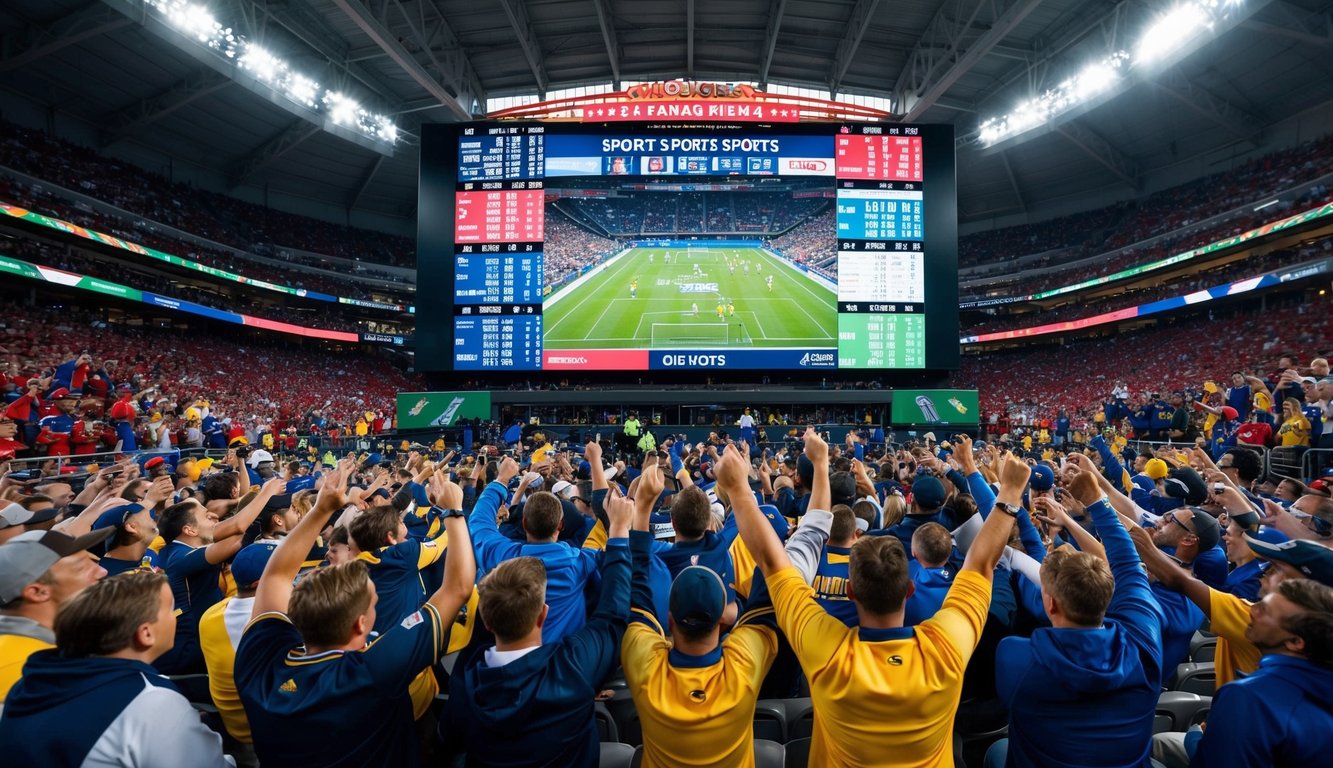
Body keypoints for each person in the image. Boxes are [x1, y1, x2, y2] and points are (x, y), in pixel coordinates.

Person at [730, 427, 1026, 765]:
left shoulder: (827, 650)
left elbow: (772, 563)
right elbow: (983, 562)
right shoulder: (945, 647)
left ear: (852, 592)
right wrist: (1011, 495)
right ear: (909, 588)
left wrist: (740, 488)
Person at [234, 461, 475, 768]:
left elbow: (275, 577)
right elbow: (459, 589)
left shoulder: (260, 662)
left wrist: (321, 509)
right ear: (361, 625)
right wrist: (453, 509)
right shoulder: (374, 671)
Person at [443, 470, 640, 767]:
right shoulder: (576, 668)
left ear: (486, 620)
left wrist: (501, 480)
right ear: (541, 614)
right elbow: (613, 610)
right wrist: (620, 529)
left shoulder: (467, 682)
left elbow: (479, 522)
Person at [985, 462, 1164, 768]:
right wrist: (1097, 501)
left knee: (997, 752)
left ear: (1051, 605)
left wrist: (1011, 495)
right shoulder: (1144, 643)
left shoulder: (1016, 655)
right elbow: (1129, 565)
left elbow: (1129, 567)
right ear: (1108, 596)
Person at [0, 568, 232, 767]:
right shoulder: (152, 701)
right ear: (146, 633)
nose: (175, 616)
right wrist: (176, 722)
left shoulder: (28, 682)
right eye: (170, 609)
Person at [1189, 579, 1333, 767]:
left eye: (1265, 610)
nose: (1252, 610)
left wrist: (1195, 741)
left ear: (1296, 642)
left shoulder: (1246, 697)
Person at [154, 477, 284, 674]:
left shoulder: (175, 550)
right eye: (206, 517)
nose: (214, 517)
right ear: (189, 530)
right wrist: (267, 493)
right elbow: (237, 533)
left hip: (198, 639)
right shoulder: (179, 556)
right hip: (189, 652)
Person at [468, 454, 602, 643]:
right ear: (560, 526)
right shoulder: (582, 561)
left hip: (508, 661)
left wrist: (501, 480)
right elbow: (619, 553)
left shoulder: (503, 558)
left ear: (524, 523)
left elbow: (479, 521)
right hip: (566, 662)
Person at [0, 527, 112, 703]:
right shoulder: (28, 668)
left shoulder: (50, 646)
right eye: (81, 567)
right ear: (37, 592)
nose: (102, 572)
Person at [198, 541, 277, 748]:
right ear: (259, 584)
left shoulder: (211, 614)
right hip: (257, 737)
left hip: (233, 723)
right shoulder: (272, 622)